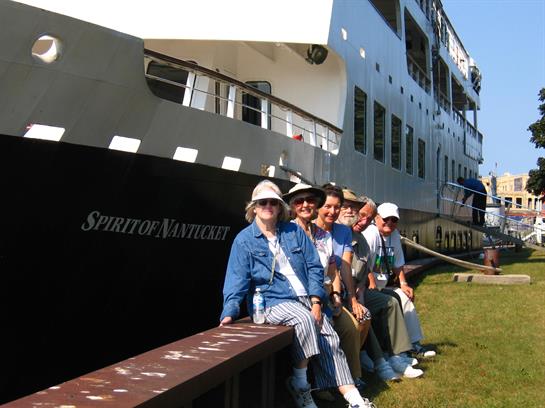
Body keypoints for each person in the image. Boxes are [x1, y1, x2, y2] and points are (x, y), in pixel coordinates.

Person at [220, 180, 376, 408]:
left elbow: (314, 267)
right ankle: (300, 385)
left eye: (273, 202)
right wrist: (229, 312)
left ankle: (355, 400)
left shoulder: (293, 231)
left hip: (305, 299)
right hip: (272, 301)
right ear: (254, 207)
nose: (268, 206)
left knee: (330, 338)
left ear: (280, 207)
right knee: (305, 320)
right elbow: (236, 279)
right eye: (262, 202)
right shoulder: (243, 240)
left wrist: (315, 300)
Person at [339, 193, 422, 380]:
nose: (364, 220)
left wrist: (402, 282)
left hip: (357, 292)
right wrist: (360, 293)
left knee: (391, 302)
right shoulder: (347, 235)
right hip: (342, 295)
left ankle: (398, 354)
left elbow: (363, 271)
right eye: (362, 215)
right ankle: (380, 360)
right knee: (367, 311)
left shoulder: (361, 240)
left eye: (368, 218)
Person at [362, 202, 436, 359]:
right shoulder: (371, 234)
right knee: (391, 302)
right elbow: (364, 263)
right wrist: (372, 283)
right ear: (376, 218)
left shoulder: (394, 235)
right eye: (386, 218)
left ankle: (414, 344)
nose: (390, 222)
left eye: (394, 220)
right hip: (368, 286)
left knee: (406, 298)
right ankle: (394, 350)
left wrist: (404, 284)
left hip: (383, 284)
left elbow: (397, 264)